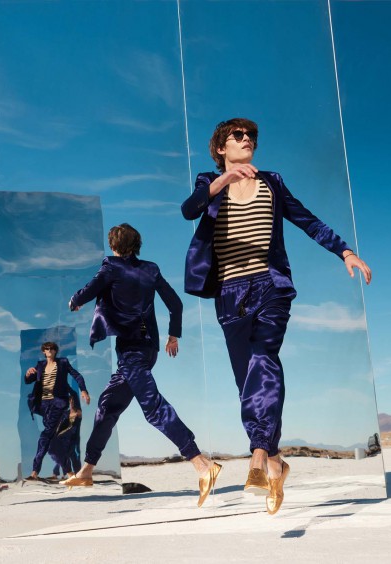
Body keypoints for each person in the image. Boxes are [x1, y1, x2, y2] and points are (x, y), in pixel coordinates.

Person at [181, 118, 372, 514]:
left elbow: (306, 219)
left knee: (264, 358)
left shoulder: (272, 182)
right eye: (237, 136)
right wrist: (222, 181)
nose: (246, 139)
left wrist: (345, 251)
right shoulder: (208, 183)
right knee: (247, 382)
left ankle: (257, 453)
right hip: (229, 294)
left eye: (251, 135)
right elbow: (189, 209)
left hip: (270, 286)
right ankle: (276, 464)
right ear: (221, 148)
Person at [63, 223, 221, 507]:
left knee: (153, 408)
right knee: (107, 407)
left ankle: (202, 464)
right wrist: (173, 336)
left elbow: (89, 290)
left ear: (113, 246)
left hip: (132, 352)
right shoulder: (151, 269)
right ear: (136, 245)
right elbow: (176, 305)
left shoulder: (111, 267)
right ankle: (87, 471)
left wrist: (75, 300)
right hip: (148, 349)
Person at [24, 341, 91, 481]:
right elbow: (29, 380)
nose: (49, 350)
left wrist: (83, 390)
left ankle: (35, 471)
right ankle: (70, 473)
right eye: (46, 348)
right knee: (54, 441)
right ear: (43, 351)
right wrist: (28, 373)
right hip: (43, 405)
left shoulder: (62, 363)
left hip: (58, 404)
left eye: (52, 348)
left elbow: (77, 375)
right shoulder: (40, 365)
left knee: (46, 435)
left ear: (55, 351)